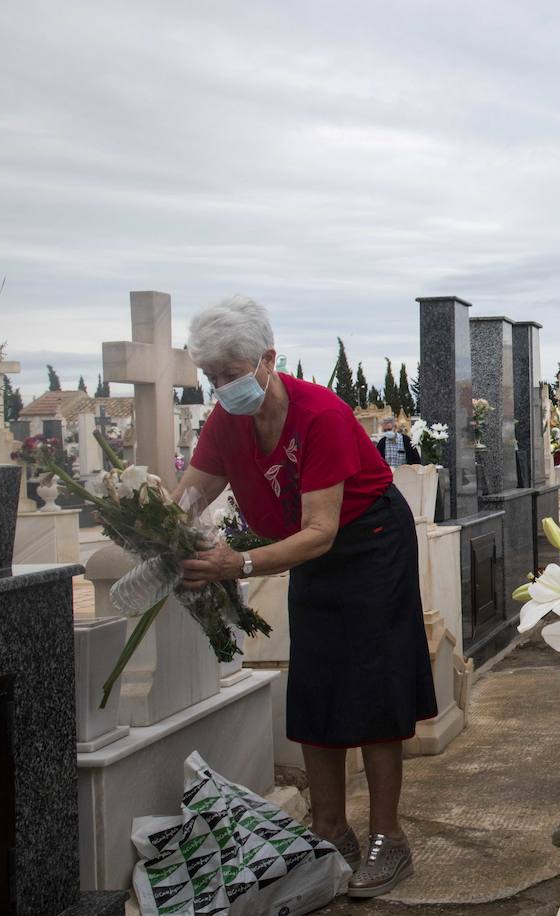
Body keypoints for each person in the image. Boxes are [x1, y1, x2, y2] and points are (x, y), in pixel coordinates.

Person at [174, 296, 435, 899]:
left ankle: (389, 838)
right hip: (304, 549)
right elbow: (190, 496)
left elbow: (321, 530)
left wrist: (235, 564)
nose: (221, 388)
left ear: (269, 358)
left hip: (368, 544)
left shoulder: (320, 413)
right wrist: (158, 530)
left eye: (231, 375)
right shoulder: (226, 422)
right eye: (212, 378)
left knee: (373, 681)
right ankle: (328, 828)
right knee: (316, 680)